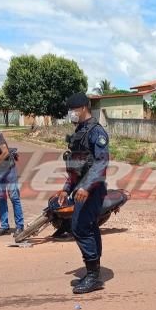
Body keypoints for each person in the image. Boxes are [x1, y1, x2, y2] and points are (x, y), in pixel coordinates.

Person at [52, 93, 110, 294]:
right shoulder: (80, 131)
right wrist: (66, 188)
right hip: (80, 188)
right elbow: (76, 165)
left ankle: (93, 276)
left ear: (84, 107)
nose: (71, 114)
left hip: (92, 189)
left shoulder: (96, 132)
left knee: (79, 228)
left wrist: (85, 187)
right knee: (89, 227)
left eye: (73, 110)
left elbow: (101, 163)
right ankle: (93, 272)